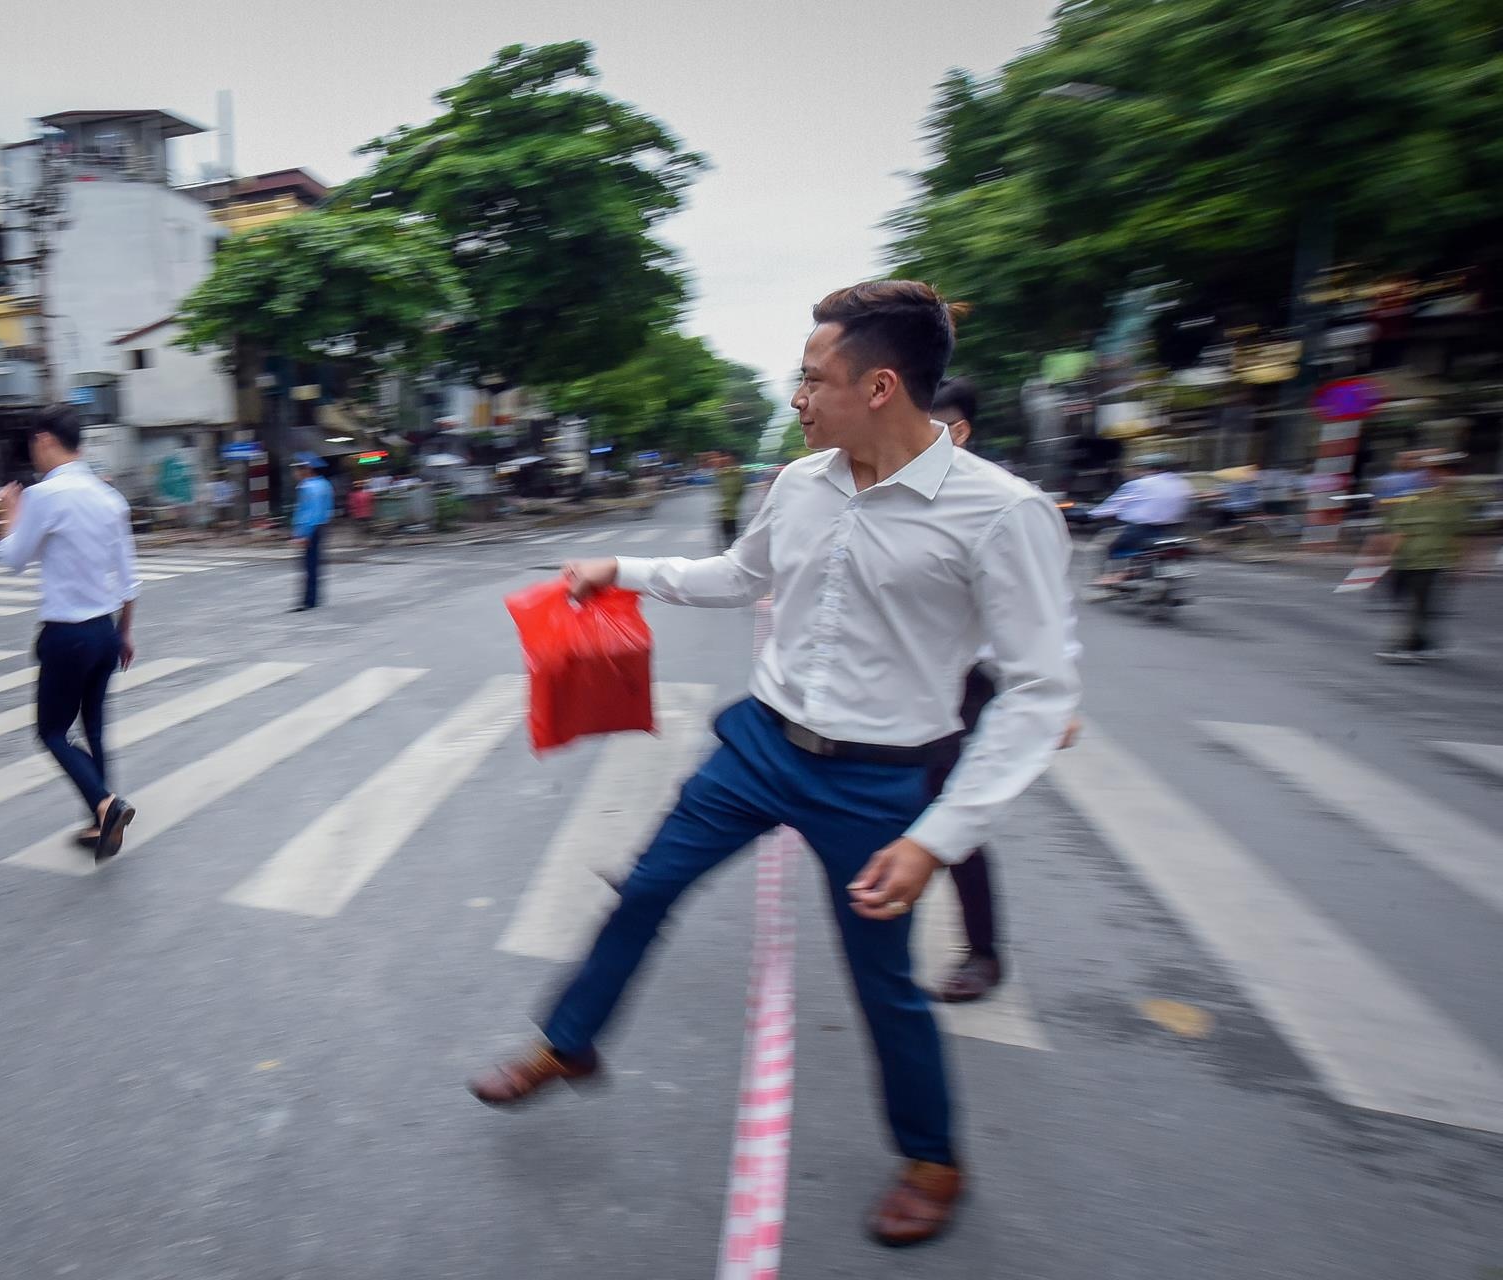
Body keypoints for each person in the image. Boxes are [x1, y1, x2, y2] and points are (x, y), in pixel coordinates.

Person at [468, 280, 1080, 1247]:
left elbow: (1043, 692)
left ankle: (933, 1158)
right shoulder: (801, 484)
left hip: (882, 779)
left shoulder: (1002, 513)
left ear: (880, 387)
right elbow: (740, 577)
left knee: (881, 978)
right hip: (760, 746)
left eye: (812, 379)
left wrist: (937, 838)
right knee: (642, 889)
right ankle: (569, 1045)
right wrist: (619, 571)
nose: (796, 398)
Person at [926, 377, 1082, 1002]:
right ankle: (660, 875)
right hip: (889, 678)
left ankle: (983, 953)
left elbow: (1049, 615)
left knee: (948, 816)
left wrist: (1058, 700)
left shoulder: (1000, 504)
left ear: (957, 431)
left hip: (961, 685)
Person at [0, 405, 142, 863]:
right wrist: (124, 634)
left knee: (53, 731)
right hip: (104, 632)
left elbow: (11, 559)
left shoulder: (45, 496)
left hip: (67, 634)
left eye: (33, 448)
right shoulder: (109, 498)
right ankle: (101, 822)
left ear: (44, 440)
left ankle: (105, 805)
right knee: (94, 726)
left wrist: (10, 511)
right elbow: (128, 579)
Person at [1372, 451, 1477, 663]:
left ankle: (1411, 645)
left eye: (1441, 472)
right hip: (1408, 560)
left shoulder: (1455, 503)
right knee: (1414, 604)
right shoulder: (1413, 500)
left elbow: (1459, 535)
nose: (1435, 476)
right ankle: (1417, 644)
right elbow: (1399, 531)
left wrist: (1462, 564)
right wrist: (1389, 558)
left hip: (1433, 562)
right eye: (1432, 472)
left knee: (1421, 604)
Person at [1087, 453, 1194, 586]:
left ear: (1148, 468)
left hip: (1141, 531)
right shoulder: (1182, 484)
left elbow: (1113, 505)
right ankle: (1132, 573)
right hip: (1172, 531)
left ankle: (1109, 577)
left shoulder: (1140, 484)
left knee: (1104, 543)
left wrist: (1093, 514)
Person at [289, 455, 333, 612]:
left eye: (297, 469)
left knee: (307, 565)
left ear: (307, 470)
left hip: (310, 529)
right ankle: (313, 598)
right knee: (314, 564)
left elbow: (307, 512)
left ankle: (307, 601)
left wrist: (302, 534)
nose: (295, 473)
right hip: (321, 527)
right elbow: (328, 510)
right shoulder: (325, 484)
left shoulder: (307, 486)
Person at [714, 451, 747, 548]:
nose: (723, 459)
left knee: (730, 538)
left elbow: (740, 490)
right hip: (726, 511)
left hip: (729, 511)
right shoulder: (722, 474)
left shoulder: (733, 473)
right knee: (729, 538)